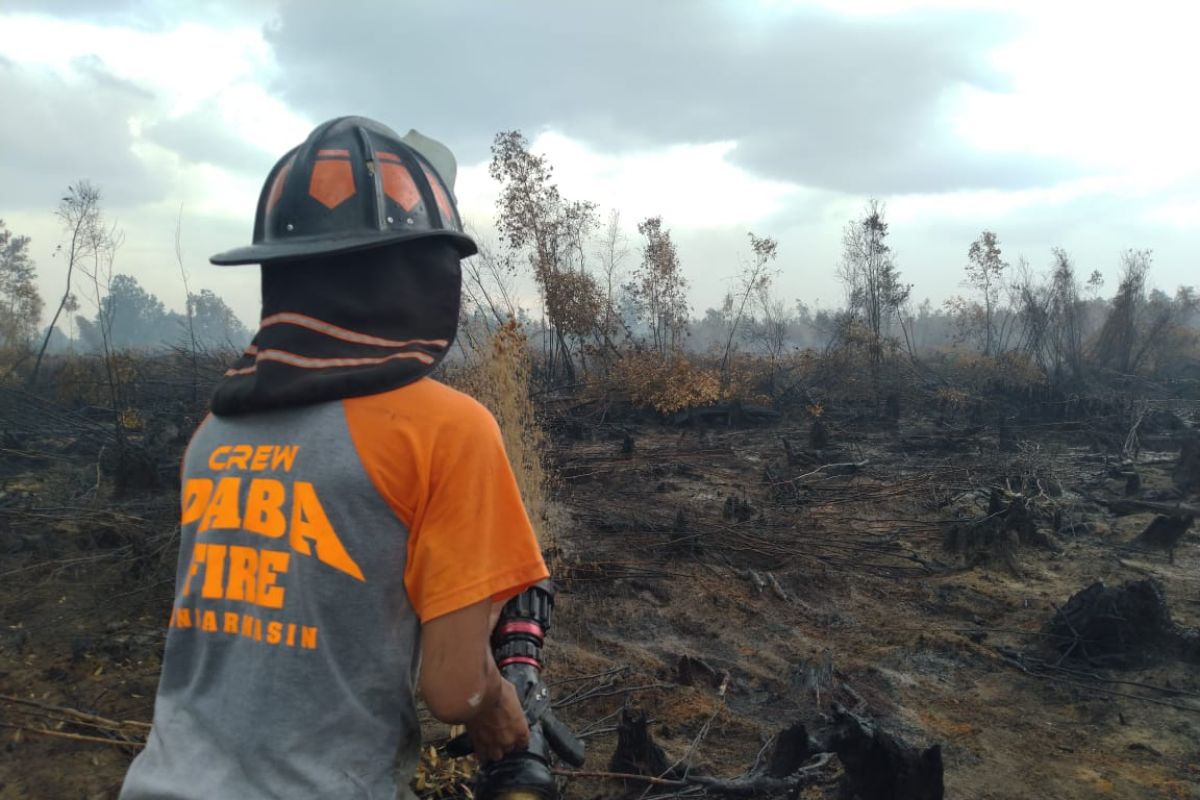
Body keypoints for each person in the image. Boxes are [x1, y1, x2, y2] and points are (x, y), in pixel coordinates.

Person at [119, 116, 549, 799]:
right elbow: (455, 688)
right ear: (423, 273)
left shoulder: (215, 433)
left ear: (281, 279)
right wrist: (501, 705)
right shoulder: (448, 428)